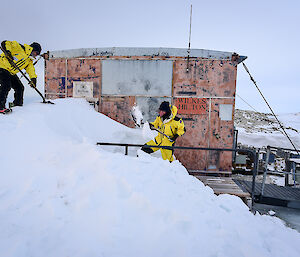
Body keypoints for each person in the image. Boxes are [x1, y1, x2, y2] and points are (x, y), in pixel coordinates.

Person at [0, 40, 41, 112]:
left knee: (20, 87)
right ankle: (0, 106)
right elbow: (5, 43)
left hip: (10, 72)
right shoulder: (20, 47)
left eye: (38, 54)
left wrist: (33, 79)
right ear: (32, 49)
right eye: (36, 53)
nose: (36, 55)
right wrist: (8, 52)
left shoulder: (29, 61)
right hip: (2, 66)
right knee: (6, 85)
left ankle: (18, 106)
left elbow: (31, 70)